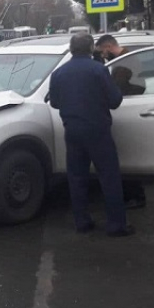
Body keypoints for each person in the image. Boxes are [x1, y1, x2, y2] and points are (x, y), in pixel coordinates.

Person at [49, 33, 134, 237]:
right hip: (98, 130)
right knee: (109, 177)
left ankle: (82, 222)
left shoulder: (59, 73)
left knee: (77, 178)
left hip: (72, 131)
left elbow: (55, 103)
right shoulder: (99, 70)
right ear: (90, 49)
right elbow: (115, 100)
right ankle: (116, 225)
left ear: (71, 49)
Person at [94, 34, 147, 209]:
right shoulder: (125, 59)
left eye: (103, 52)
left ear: (108, 47)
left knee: (127, 158)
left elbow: (116, 90)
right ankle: (133, 195)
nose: (103, 56)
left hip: (128, 108)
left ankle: (135, 196)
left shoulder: (123, 63)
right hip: (130, 106)